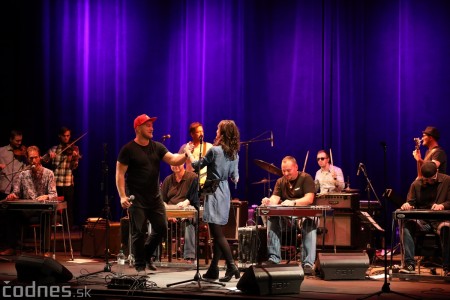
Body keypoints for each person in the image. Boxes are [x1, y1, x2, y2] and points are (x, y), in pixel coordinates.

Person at [116, 114, 191, 273]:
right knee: (139, 232)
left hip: (155, 197)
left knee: (162, 228)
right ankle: (140, 266)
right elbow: (120, 174)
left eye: (152, 125)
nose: (152, 128)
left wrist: (185, 154)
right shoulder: (128, 149)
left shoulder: (157, 147)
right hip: (136, 198)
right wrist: (122, 196)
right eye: (147, 125)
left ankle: (146, 255)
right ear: (138, 128)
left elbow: (173, 159)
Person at [183, 120, 240, 282]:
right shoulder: (234, 153)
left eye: (217, 129)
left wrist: (188, 151)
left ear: (222, 133)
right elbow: (235, 177)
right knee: (218, 233)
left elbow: (196, 165)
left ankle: (231, 266)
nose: (215, 131)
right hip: (224, 192)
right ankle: (214, 269)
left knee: (216, 233)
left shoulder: (214, 151)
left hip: (214, 192)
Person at [261, 156, 317, 275]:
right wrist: (268, 201)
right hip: (287, 220)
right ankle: (274, 258)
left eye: (288, 170)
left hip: (303, 217)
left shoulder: (306, 178)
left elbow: (309, 198)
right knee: (272, 217)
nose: (286, 173)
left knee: (309, 222)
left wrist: (293, 202)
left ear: (296, 167)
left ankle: (308, 264)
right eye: (283, 170)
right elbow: (275, 199)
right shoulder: (280, 181)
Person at [0, 146, 58, 256]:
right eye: (31, 158)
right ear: (27, 158)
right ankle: (12, 247)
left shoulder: (49, 173)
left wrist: (46, 196)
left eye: (36, 158)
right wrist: (13, 195)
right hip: (27, 211)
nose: (34, 161)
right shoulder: (22, 174)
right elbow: (16, 192)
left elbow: (54, 194)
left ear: (40, 157)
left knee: (46, 215)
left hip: (41, 211)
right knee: (9, 213)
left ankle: (45, 250)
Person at [399, 161, 450, 275]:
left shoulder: (447, 181)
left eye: (431, 179)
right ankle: (410, 265)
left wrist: (442, 205)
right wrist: (407, 205)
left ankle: (448, 267)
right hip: (423, 222)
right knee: (408, 225)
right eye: (425, 179)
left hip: (440, 221)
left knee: (447, 227)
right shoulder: (416, 184)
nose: (428, 181)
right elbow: (411, 202)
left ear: (437, 172)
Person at [44, 127, 81, 229]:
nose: (66, 138)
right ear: (60, 136)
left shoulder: (74, 149)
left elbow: (74, 167)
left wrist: (74, 158)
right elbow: (44, 161)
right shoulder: (54, 149)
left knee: (68, 209)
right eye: (64, 136)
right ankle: (54, 229)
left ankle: (68, 229)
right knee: (54, 208)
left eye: (68, 136)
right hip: (55, 184)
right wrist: (49, 156)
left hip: (68, 183)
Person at [160, 163, 198, 262]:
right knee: (155, 220)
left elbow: (196, 196)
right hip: (170, 210)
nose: (175, 165)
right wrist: (169, 213)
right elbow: (162, 200)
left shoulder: (192, 177)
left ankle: (189, 255)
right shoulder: (168, 179)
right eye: (172, 164)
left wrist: (186, 204)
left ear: (183, 163)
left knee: (189, 220)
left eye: (178, 163)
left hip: (187, 208)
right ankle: (153, 255)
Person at [179, 122, 213, 186]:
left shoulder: (209, 146)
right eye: (198, 132)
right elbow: (177, 164)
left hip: (204, 183)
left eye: (202, 131)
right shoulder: (185, 147)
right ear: (192, 134)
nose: (201, 134)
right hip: (189, 182)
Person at [0, 130, 27, 199]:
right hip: (3, 188)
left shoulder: (23, 153)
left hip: (18, 189)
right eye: (17, 141)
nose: (19, 143)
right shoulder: (1, 151)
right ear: (11, 139)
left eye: (21, 141)